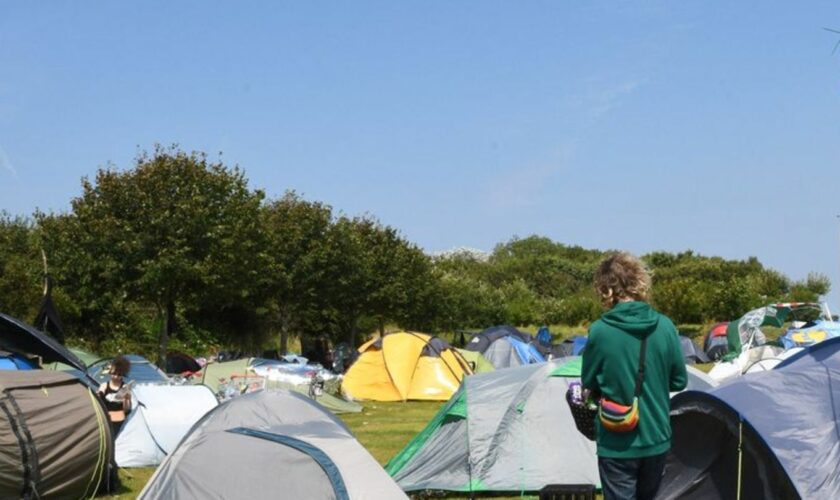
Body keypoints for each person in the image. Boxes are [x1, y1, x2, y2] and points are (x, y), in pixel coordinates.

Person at [581, 252, 687, 500]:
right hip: (656, 436)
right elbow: (679, 381)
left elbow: (588, 382)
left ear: (605, 288)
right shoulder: (666, 326)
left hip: (616, 440)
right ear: (640, 282)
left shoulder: (600, 331)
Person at [98, 355, 132, 437]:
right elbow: (99, 403)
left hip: (120, 423)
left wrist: (126, 399)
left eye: (119, 374)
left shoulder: (125, 387)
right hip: (106, 422)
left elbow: (126, 410)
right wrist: (99, 394)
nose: (116, 376)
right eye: (113, 373)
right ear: (110, 372)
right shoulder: (104, 386)